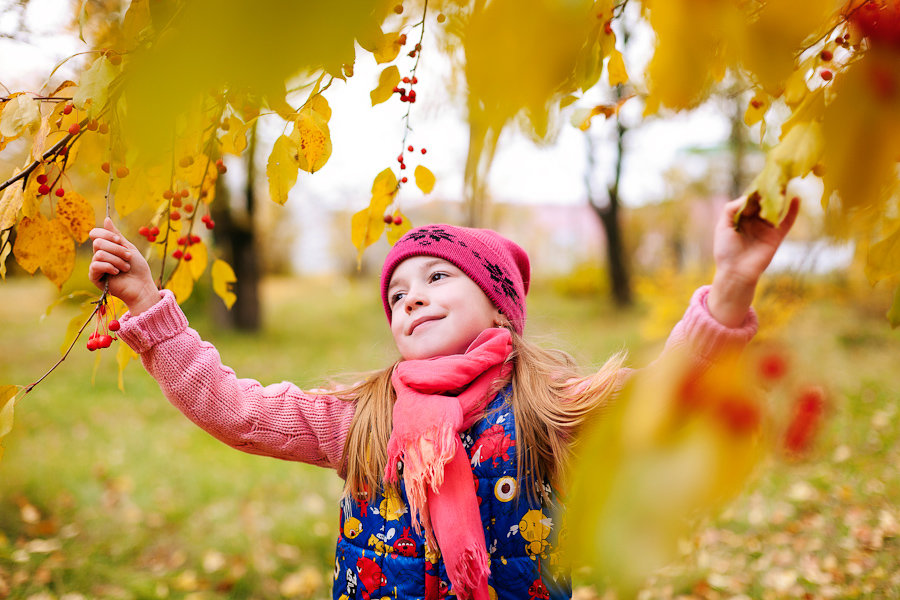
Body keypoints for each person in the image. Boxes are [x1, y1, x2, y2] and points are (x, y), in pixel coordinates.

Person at [88, 196, 799, 600]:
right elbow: (237, 411)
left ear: (498, 307)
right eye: (397, 293)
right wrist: (152, 310)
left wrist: (732, 284)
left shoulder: (542, 410)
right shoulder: (365, 419)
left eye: (436, 279)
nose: (411, 297)